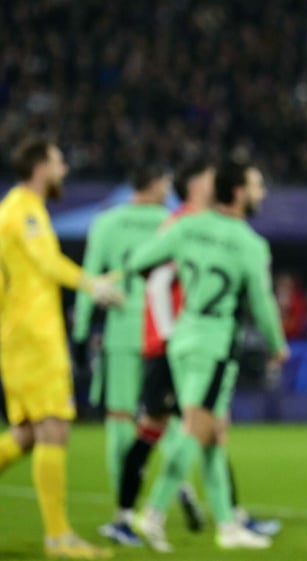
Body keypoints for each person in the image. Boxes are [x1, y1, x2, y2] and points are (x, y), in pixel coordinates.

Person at [125, 160, 289, 552]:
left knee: (214, 433)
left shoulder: (187, 225)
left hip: (183, 339)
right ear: (236, 192)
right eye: (255, 186)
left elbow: (138, 262)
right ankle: (153, 512)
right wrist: (277, 344)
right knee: (198, 428)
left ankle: (228, 527)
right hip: (215, 346)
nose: (260, 193)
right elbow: (263, 303)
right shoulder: (249, 243)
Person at [0, 139, 121, 559]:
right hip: (33, 335)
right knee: (54, 427)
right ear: (39, 166)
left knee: (28, 434)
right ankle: (58, 537)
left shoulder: (13, 209)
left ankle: (58, 535)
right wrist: (93, 284)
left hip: (18, 334)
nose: (65, 168)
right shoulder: (24, 209)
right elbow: (48, 262)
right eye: (58, 161)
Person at [71, 164, 171, 544]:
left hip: (121, 333)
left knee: (118, 421)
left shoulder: (106, 222)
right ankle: (172, 491)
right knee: (172, 421)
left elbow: (91, 280)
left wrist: (81, 334)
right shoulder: (171, 221)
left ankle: (123, 513)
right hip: (163, 333)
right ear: (156, 182)